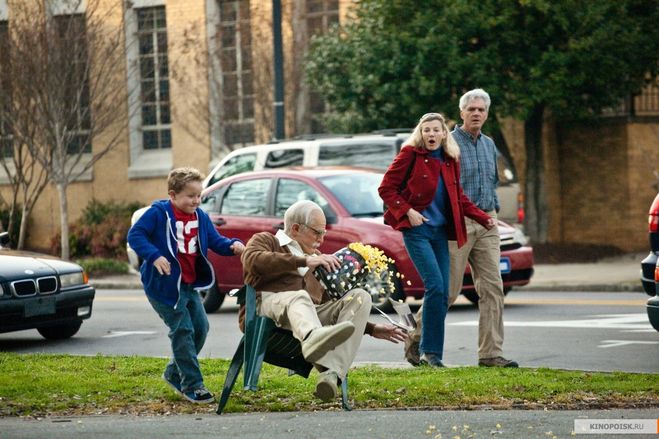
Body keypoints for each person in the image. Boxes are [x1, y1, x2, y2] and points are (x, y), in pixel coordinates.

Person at [240, 200, 406, 402]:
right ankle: (312, 338)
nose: (321, 238)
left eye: (324, 233)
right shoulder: (267, 240)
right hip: (266, 309)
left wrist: (371, 329)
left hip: (307, 315)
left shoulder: (318, 258)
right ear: (295, 228)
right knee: (299, 296)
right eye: (316, 232)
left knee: (360, 296)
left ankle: (331, 373)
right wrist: (303, 261)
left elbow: (329, 304)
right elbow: (252, 260)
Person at [404, 89, 520, 369]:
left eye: (481, 109)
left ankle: (490, 354)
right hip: (456, 222)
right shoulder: (448, 143)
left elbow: (491, 182)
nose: (477, 113)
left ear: (487, 113)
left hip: (486, 220)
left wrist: (490, 215)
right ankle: (416, 339)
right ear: (462, 113)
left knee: (493, 288)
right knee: (448, 290)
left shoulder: (490, 144)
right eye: (472, 110)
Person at [378, 112, 495, 367]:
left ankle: (429, 352)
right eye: (426, 130)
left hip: (441, 233)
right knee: (436, 287)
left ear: (444, 134)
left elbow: (458, 198)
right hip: (417, 231)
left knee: (442, 295)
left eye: (435, 130)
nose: (431, 134)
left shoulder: (450, 160)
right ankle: (430, 354)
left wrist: (483, 217)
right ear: (421, 134)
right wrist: (409, 212)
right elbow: (386, 188)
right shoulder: (410, 154)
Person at [127, 167, 245, 404]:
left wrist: (233, 245)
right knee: (182, 330)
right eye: (190, 196)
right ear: (173, 195)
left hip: (190, 285)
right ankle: (192, 385)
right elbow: (135, 235)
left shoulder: (200, 216)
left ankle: (173, 373)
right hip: (164, 287)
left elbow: (215, 241)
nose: (196, 200)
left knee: (201, 329)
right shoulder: (158, 213)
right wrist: (155, 255)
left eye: (198, 195)